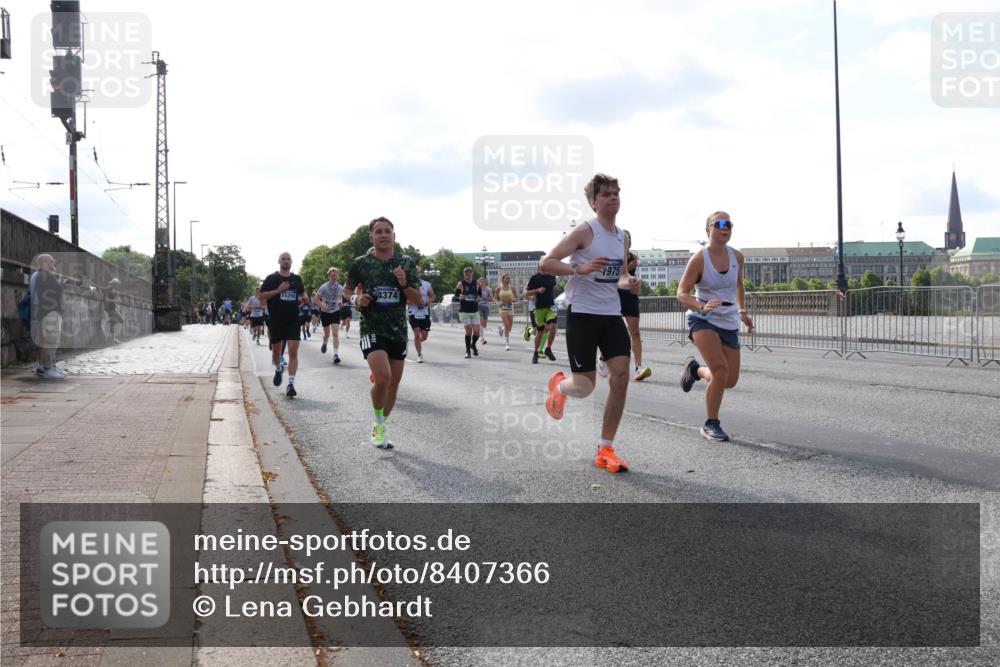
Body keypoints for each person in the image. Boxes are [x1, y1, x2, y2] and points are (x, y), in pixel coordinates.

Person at [542, 173, 638, 473]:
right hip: (583, 314)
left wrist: (629, 282)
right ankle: (560, 387)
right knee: (584, 387)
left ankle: (605, 448)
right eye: (606, 194)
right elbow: (546, 263)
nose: (613, 198)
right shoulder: (585, 231)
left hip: (611, 315)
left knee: (620, 375)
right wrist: (579, 269)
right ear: (593, 202)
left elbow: (620, 275)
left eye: (616, 193)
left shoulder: (622, 237)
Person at [677, 211, 754, 442]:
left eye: (729, 224)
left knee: (729, 380)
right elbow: (681, 293)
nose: (725, 228)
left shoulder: (737, 257)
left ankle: (696, 370)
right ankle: (711, 423)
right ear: (708, 229)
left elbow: (738, 284)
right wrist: (701, 307)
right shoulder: (699, 259)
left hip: (728, 320)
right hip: (703, 319)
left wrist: (742, 311)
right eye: (719, 224)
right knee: (720, 370)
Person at [345, 217, 421, 448]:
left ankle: (381, 422)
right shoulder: (361, 263)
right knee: (383, 377)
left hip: (397, 330)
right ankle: (379, 426)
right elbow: (346, 291)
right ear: (371, 237)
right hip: (371, 327)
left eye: (387, 231)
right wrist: (357, 299)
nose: (384, 235)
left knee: (393, 384)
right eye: (378, 231)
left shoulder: (405, 262)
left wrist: (404, 284)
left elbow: (419, 299)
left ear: (394, 236)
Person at [259, 252, 306, 397]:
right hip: (276, 320)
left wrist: (304, 298)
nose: (286, 261)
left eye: (288, 259)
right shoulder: (271, 278)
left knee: (293, 351)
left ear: (291, 261)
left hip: (293, 320)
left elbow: (302, 293)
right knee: (276, 353)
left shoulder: (297, 279)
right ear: (279, 261)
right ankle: (278, 368)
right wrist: (278, 290)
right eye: (283, 259)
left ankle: (291, 384)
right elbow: (261, 296)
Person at [29, 254, 65, 379]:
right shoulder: (45, 275)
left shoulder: (42, 275)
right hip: (50, 312)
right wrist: (61, 283)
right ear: (45, 262)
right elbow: (58, 290)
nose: (54, 263)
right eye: (52, 261)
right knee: (51, 341)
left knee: (50, 340)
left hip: (47, 312)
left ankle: (48, 367)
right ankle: (48, 369)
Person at [620, 248, 651, 381]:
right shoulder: (614, 254)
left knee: (635, 332)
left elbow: (632, 278)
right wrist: (627, 266)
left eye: (629, 239)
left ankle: (639, 367)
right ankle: (603, 357)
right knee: (615, 332)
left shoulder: (632, 256)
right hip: (614, 295)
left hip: (630, 297)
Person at [524, 268, 558, 364]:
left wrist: (555, 288)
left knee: (552, 327)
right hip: (539, 308)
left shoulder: (552, 276)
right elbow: (526, 293)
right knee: (540, 332)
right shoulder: (534, 278)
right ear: (541, 266)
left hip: (551, 306)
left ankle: (548, 348)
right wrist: (538, 290)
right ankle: (535, 352)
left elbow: (553, 287)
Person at [314, 267, 345, 363]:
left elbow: (340, 298)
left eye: (335, 276)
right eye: (332, 276)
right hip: (325, 312)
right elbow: (316, 299)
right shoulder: (324, 287)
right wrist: (323, 305)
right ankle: (325, 342)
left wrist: (340, 303)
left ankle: (335, 355)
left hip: (335, 312)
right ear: (329, 276)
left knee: (335, 334)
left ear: (338, 276)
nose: (334, 278)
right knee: (327, 334)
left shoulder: (340, 287)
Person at [407, 265, 436, 363]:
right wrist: (415, 302)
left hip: (424, 313)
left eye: (418, 272)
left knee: (424, 336)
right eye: (415, 272)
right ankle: (419, 354)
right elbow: (404, 300)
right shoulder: (408, 284)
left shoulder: (426, 284)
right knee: (416, 334)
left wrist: (426, 303)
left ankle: (417, 342)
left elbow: (432, 296)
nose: (417, 274)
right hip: (413, 313)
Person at [455, 267, 483, 358]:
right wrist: (460, 297)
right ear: (464, 275)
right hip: (465, 311)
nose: (468, 276)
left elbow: (480, 295)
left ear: (472, 275)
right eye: (466, 275)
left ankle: (473, 344)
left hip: (474, 310)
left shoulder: (477, 283)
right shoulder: (461, 284)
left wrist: (479, 298)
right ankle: (468, 351)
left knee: (477, 332)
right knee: (469, 330)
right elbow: (456, 296)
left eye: (469, 275)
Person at [496, 273, 519, 350]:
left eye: (509, 278)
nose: (508, 279)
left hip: (510, 308)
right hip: (502, 308)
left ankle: (502, 329)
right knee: (506, 324)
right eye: (506, 278)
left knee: (509, 327)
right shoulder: (498, 288)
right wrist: (498, 303)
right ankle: (507, 344)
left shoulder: (512, 288)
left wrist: (512, 300)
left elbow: (517, 298)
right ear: (503, 279)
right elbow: (495, 298)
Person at [103, 278, 125, 343]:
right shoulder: (107, 290)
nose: (117, 286)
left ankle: (113, 338)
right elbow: (106, 299)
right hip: (109, 309)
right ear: (113, 284)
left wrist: (117, 301)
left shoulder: (112, 290)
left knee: (118, 321)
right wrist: (114, 301)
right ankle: (113, 338)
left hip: (113, 308)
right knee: (115, 322)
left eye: (117, 284)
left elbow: (114, 299)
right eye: (116, 284)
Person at [477, 277, 494, 345]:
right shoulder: (477, 289)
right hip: (478, 306)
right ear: (479, 282)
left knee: (484, 325)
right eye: (480, 281)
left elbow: (491, 298)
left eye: (483, 281)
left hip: (486, 306)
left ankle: (480, 332)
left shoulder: (488, 289)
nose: (482, 282)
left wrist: (484, 298)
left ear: (485, 282)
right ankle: (482, 339)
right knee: (481, 321)